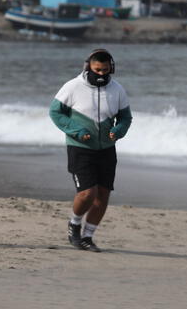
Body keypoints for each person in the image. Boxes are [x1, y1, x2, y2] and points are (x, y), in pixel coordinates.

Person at [49, 49, 132, 252]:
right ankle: (75, 223)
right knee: (88, 193)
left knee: (103, 195)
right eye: (97, 69)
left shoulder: (117, 89)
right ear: (88, 67)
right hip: (80, 148)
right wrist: (76, 131)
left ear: (111, 67)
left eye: (105, 70)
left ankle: (87, 237)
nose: (101, 74)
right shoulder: (73, 86)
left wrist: (118, 131)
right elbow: (55, 112)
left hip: (107, 150)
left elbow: (125, 118)